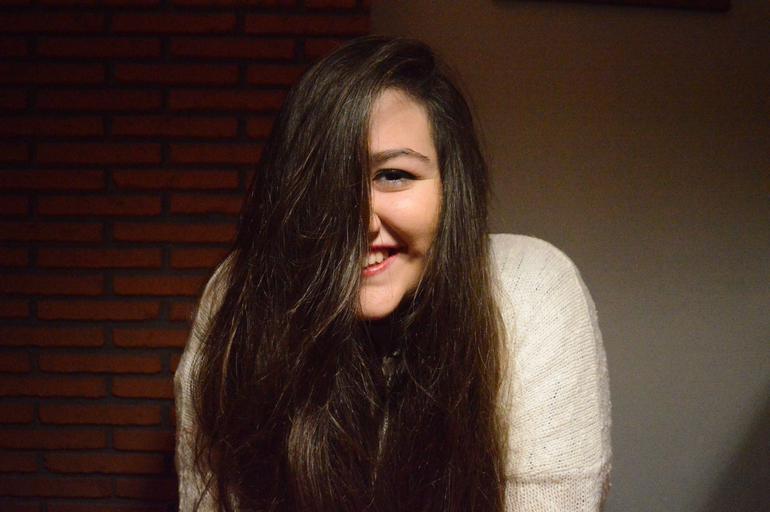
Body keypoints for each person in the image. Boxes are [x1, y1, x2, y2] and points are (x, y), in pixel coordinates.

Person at [174, 36, 611, 512]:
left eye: (394, 175)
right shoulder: (237, 290)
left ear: (452, 186)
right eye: (325, 183)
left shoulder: (530, 289)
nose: (360, 221)